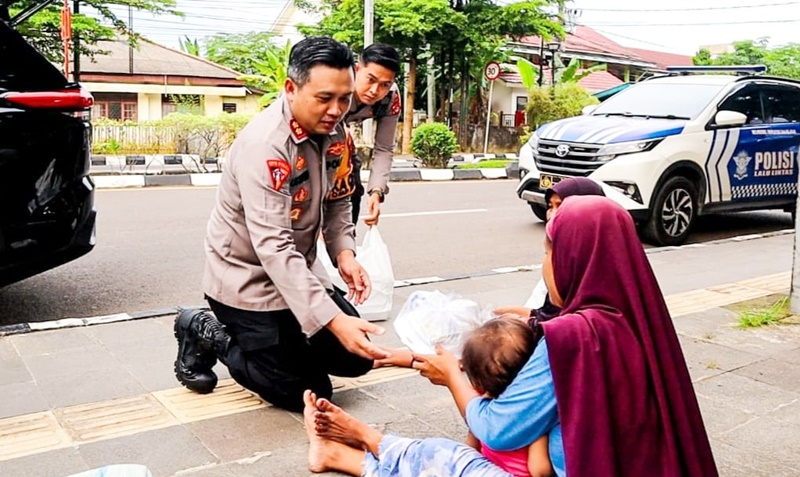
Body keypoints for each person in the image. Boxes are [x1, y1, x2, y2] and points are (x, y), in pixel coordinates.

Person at [303, 196, 718, 477]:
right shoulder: (640, 320)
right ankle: (364, 441)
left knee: (449, 462)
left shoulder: (574, 337)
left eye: (549, 252)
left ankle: (352, 452)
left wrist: (453, 377)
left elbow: (498, 430)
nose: (544, 265)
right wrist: (414, 359)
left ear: (575, 257)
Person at [173, 36, 390, 413]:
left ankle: (287, 341)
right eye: (324, 98)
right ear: (291, 88)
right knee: (306, 393)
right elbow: (273, 246)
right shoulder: (266, 146)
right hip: (248, 284)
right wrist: (333, 320)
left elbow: (340, 197)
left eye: (344, 98)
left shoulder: (335, 132)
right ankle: (207, 329)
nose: (337, 110)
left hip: (298, 273)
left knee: (359, 358)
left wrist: (345, 254)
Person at [498, 177, 605, 319]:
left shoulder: (599, 268)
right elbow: (546, 309)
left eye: (560, 206)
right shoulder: (558, 253)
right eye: (550, 206)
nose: (552, 215)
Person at [461, 317, 552, 477]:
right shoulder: (534, 416)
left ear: (476, 384)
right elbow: (540, 471)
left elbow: (470, 451)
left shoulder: (481, 411)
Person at [344, 43, 402, 226]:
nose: (375, 91)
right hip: (316, 138)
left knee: (352, 189)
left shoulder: (391, 98)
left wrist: (377, 191)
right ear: (356, 69)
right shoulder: (338, 83)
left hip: (343, 141)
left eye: (385, 84)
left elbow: (384, 148)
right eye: (370, 79)